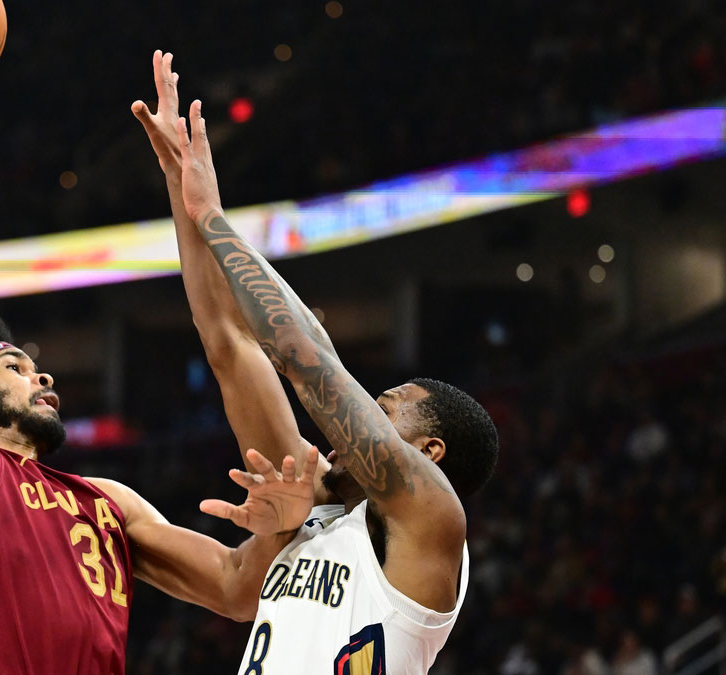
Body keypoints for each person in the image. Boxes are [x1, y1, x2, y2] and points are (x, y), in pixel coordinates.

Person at [0, 24, 320, 675]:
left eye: (35, 365)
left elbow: (237, 586)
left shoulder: (107, 501)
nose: (44, 377)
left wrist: (280, 525)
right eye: (14, 366)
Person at [132, 52, 499, 674]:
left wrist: (214, 220)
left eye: (384, 408)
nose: (358, 415)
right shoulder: (312, 502)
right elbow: (229, 344)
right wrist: (183, 182)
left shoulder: (431, 520)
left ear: (429, 453)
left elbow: (305, 359)